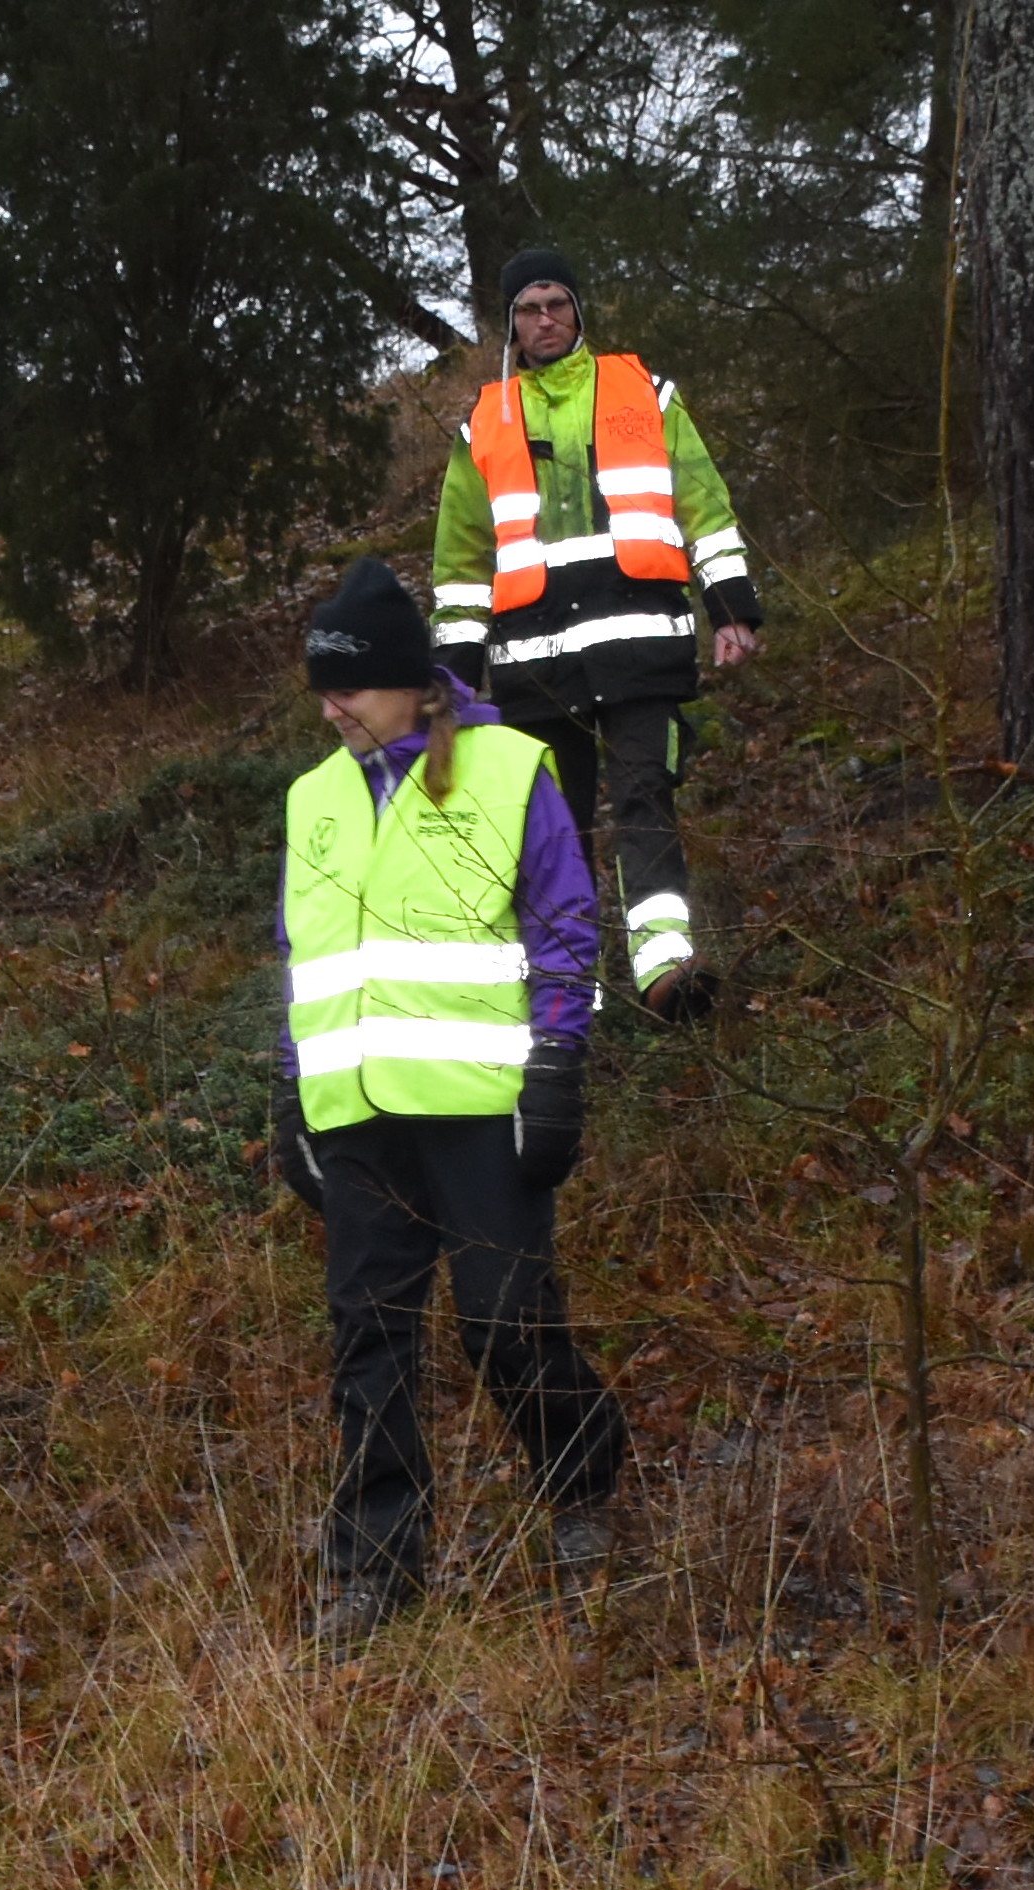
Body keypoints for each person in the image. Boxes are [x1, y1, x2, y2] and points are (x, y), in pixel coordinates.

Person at [273, 556, 628, 1646]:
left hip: (484, 1108)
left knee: (504, 1322)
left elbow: (565, 929)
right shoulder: (312, 797)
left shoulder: (511, 770)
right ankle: (379, 1562)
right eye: (321, 690)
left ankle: (584, 1482)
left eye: (350, 688)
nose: (331, 709)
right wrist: (294, 1095)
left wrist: (559, 1067)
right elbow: (305, 957)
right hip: (359, 1118)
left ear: (414, 683)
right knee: (368, 1338)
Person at [427, 246, 765, 1023]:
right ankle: (566, 992)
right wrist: (452, 674)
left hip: (641, 646)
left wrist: (733, 608)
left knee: (647, 798)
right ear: (509, 324)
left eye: (558, 304)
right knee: (557, 829)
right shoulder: (485, 421)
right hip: (535, 668)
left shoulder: (641, 392)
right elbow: (461, 562)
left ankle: (665, 970)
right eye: (529, 309)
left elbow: (704, 506)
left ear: (579, 310)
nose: (546, 319)